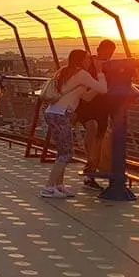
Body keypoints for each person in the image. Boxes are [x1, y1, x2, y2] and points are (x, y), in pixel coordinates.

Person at [42, 49, 107, 198]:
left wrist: (94, 87)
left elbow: (87, 97)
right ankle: (48, 187)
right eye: (88, 58)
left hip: (53, 113)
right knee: (66, 154)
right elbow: (103, 89)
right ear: (81, 60)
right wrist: (100, 72)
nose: (89, 61)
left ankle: (59, 185)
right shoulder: (82, 74)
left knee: (61, 152)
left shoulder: (65, 72)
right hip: (61, 115)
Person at [75, 39, 117, 189]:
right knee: (93, 134)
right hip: (87, 106)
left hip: (102, 108)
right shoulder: (89, 63)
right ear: (98, 49)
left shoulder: (110, 66)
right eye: (105, 51)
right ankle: (90, 171)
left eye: (110, 53)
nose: (107, 55)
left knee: (99, 139)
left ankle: (91, 173)